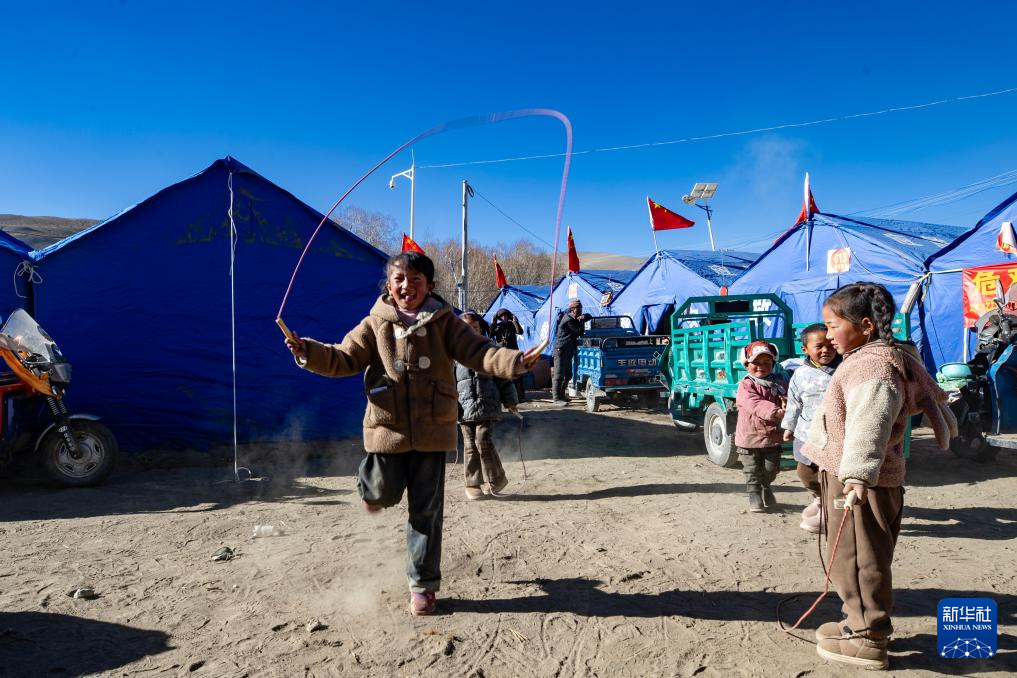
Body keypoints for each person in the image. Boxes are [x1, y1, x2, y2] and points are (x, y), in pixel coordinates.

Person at [284, 251, 541, 616]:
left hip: (433, 432)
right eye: (399, 279)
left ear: (429, 286)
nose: (407, 286)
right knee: (381, 491)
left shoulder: (445, 323)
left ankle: (423, 586)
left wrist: (514, 361)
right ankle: (371, 489)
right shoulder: (374, 323)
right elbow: (344, 358)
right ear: (389, 285)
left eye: (416, 280)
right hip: (386, 429)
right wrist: (307, 352)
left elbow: (478, 351)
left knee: (426, 511)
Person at [806, 282, 956, 670]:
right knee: (858, 557)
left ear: (866, 325)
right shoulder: (879, 357)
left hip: (861, 482)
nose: (828, 335)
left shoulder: (871, 367)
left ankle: (867, 638)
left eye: (833, 326)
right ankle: (855, 623)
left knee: (858, 561)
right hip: (867, 478)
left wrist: (857, 477)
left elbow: (868, 425)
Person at [780, 323, 841, 533]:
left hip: (834, 434)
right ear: (805, 349)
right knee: (805, 472)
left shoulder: (843, 369)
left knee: (831, 475)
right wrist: (789, 426)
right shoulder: (800, 374)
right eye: (819, 346)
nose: (826, 350)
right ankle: (819, 498)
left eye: (830, 345)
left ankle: (830, 512)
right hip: (806, 433)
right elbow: (794, 402)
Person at [456, 311, 518, 499]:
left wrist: (510, 401)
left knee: (482, 439)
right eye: (466, 328)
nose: (471, 331)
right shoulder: (452, 353)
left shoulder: (491, 350)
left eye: (475, 327)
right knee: (469, 445)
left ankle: (496, 479)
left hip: (487, 404)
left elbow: (503, 377)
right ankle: (473, 484)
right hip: (463, 406)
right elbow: (447, 381)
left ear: (481, 328)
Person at [734, 340, 788, 513]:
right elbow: (753, 403)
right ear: (746, 364)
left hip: (772, 436)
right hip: (749, 437)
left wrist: (787, 403)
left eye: (766, 362)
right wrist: (776, 411)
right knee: (751, 469)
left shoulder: (779, 383)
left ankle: (766, 486)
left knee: (771, 469)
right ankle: (754, 494)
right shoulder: (746, 384)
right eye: (756, 362)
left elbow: (790, 398)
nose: (761, 367)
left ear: (773, 363)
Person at [551, 299, 591, 404]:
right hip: (561, 349)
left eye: (581, 309)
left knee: (568, 375)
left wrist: (584, 317)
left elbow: (589, 316)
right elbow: (579, 331)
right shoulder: (568, 320)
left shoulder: (573, 318)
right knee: (559, 375)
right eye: (578, 309)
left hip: (568, 350)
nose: (580, 311)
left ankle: (562, 395)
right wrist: (581, 321)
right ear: (572, 310)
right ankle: (556, 398)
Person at [491, 308, 526, 402]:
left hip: (513, 352)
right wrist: (493, 323)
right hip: (501, 353)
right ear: (499, 318)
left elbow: (520, 331)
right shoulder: (497, 326)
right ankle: (503, 397)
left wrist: (515, 321)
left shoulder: (512, 325)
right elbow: (490, 334)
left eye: (506, 316)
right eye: (502, 316)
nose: (504, 318)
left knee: (516, 373)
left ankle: (520, 396)